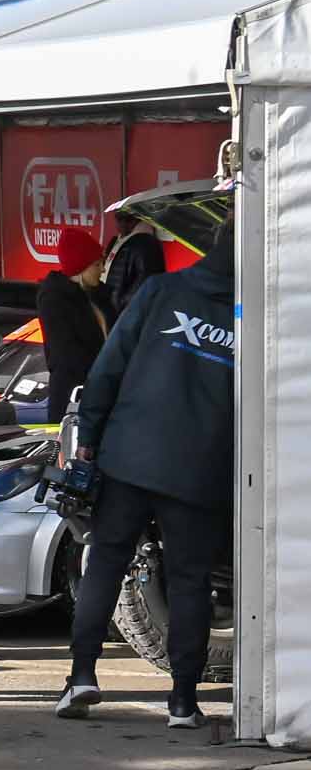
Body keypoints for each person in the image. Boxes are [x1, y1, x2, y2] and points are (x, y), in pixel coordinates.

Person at [56, 225, 237, 729]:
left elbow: (108, 368)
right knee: (189, 581)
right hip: (199, 469)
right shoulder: (253, 315)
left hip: (128, 456)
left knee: (105, 561)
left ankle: (82, 676)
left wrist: (89, 437)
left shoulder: (161, 290)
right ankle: (182, 700)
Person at [38, 229, 113, 424]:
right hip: (72, 398)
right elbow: (65, 354)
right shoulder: (55, 300)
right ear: (81, 267)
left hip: (103, 393)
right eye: (97, 264)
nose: (102, 270)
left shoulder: (102, 297)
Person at [101, 202, 167, 321]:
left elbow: (145, 282)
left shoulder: (146, 244)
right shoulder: (118, 240)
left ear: (134, 221)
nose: (117, 225)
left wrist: (121, 305)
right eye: (117, 219)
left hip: (124, 313)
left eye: (120, 219)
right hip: (112, 308)